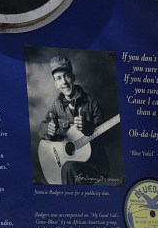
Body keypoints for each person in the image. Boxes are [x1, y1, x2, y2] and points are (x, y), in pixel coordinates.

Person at [38, 55, 111, 184]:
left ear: (73, 77)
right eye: (59, 78)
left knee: (69, 168)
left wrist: (88, 127)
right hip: (69, 164)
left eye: (66, 76)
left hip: (94, 166)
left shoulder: (91, 102)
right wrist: (49, 129)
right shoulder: (57, 105)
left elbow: (107, 139)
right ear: (55, 84)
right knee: (68, 168)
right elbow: (42, 128)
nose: (64, 82)